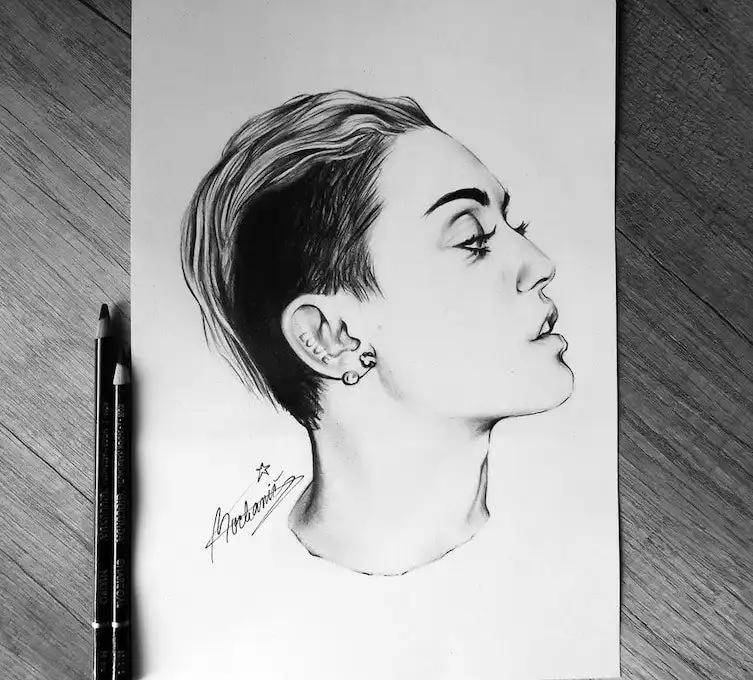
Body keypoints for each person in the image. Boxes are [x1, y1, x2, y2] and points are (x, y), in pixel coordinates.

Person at [181, 90, 574, 576]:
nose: (540, 264)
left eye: (516, 227)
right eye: (472, 240)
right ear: (331, 337)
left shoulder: (559, 547)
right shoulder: (244, 585)